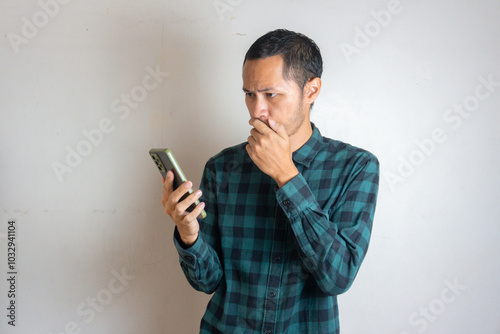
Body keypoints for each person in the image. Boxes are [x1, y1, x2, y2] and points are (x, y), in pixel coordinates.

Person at [161, 29, 380, 334]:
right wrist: (189, 234)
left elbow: (338, 277)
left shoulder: (356, 167)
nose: (256, 111)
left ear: (311, 90)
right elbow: (207, 282)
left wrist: (287, 177)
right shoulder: (222, 167)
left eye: (271, 94)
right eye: (249, 94)